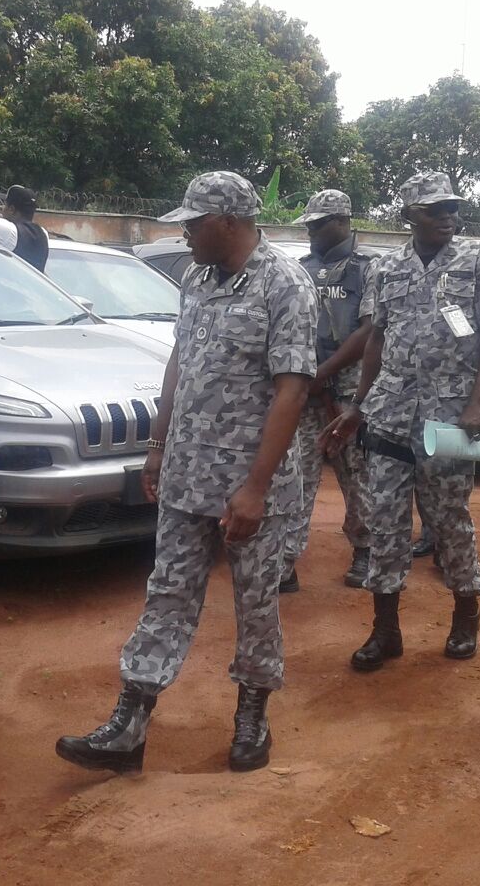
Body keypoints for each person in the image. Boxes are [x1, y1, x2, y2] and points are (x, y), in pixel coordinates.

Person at [55, 171, 317, 774]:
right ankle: (130, 723)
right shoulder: (196, 278)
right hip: (186, 473)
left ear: (229, 221)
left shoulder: (285, 284)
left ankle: (252, 714)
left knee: (256, 602)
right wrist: (157, 445)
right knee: (167, 592)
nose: (186, 234)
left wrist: (255, 489)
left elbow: (293, 390)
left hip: (251, 484)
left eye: (194, 224)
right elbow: (181, 358)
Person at [323, 172, 480, 669]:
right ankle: (385, 630)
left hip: (450, 415)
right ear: (410, 214)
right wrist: (358, 405)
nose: (448, 216)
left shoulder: (477, 257)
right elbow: (376, 338)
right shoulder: (386, 267)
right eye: (435, 209)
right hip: (389, 413)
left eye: (452, 207)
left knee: (449, 518)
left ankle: (465, 615)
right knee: (385, 521)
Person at [279, 189, 373, 592]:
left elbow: (369, 332)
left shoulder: (368, 269)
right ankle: (285, 560)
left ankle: (366, 550)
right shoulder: (300, 269)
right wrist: (309, 377)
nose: (311, 232)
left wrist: (325, 373)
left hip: (350, 393)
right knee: (297, 474)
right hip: (306, 391)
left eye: (318, 225)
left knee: (357, 474)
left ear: (342, 221)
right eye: (310, 226)